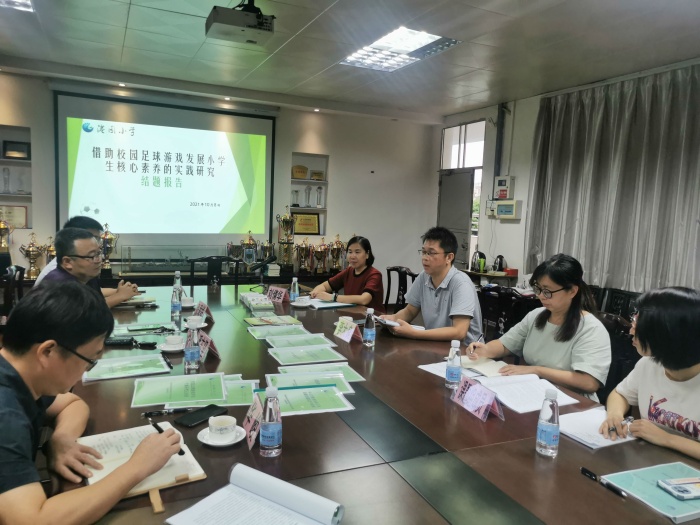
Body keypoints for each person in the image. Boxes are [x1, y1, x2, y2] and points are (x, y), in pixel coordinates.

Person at [0, 281, 181, 525]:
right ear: (47, 352)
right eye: (90, 360)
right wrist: (138, 467)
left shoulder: (19, 373)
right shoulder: (6, 416)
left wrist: (61, 439)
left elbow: (72, 404)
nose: (86, 371)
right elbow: (32, 520)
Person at [467, 253, 610, 399]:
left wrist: (537, 370)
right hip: (534, 390)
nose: (541, 296)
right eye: (538, 289)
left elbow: (589, 382)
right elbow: (505, 344)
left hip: (572, 401)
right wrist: (484, 350)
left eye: (547, 291)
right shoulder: (536, 316)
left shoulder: (591, 329)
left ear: (572, 291)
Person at [599, 287, 700, 459]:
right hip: (651, 459)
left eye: (639, 324)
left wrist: (667, 439)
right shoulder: (649, 364)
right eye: (635, 319)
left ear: (667, 336)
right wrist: (615, 415)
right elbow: (620, 394)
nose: (631, 330)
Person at [381, 226, 483, 345]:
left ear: (449, 257)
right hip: (436, 345)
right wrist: (392, 318)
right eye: (424, 252)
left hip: (465, 351)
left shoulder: (461, 284)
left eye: (431, 253)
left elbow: (459, 332)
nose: (425, 258)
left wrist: (414, 333)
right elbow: (410, 311)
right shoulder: (424, 277)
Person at [42, 227, 138, 308]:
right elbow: (87, 311)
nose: (98, 260)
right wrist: (120, 296)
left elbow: (95, 297)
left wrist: (118, 291)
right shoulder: (58, 286)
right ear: (67, 262)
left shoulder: (86, 275)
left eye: (98, 253)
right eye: (92, 256)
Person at [310, 236, 384, 311]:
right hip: (351, 314)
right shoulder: (349, 271)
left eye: (357, 252)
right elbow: (325, 286)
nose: (352, 256)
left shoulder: (374, 275)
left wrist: (333, 297)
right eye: (350, 252)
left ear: (367, 254)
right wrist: (316, 292)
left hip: (372, 316)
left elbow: (364, 299)